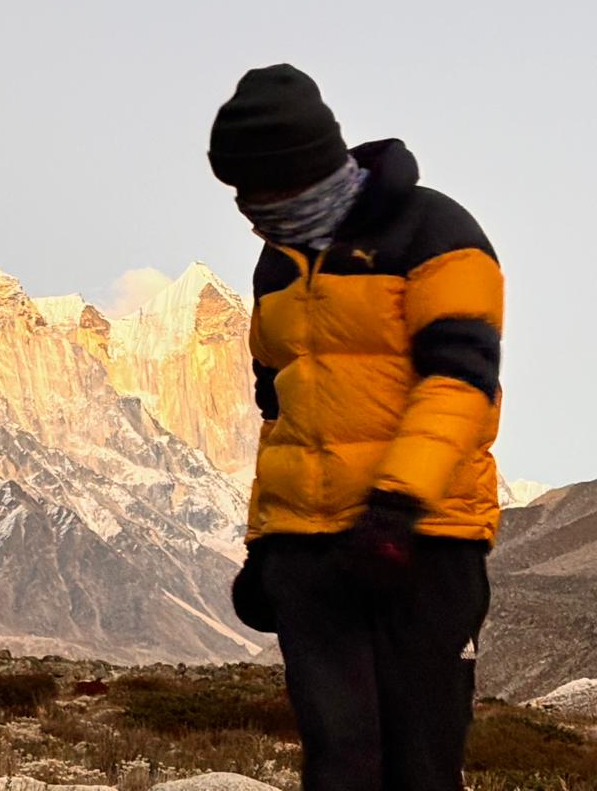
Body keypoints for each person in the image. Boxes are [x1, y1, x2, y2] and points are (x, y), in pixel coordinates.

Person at [208, 64, 502, 791]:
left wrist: (397, 507)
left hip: (426, 545)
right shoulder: (275, 265)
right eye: (240, 194)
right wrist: (264, 544)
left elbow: (460, 383)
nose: (250, 211)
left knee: (421, 765)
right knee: (338, 763)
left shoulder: (437, 231)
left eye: (261, 191)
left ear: (303, 171)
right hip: (310, 553)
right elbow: (279, 416)